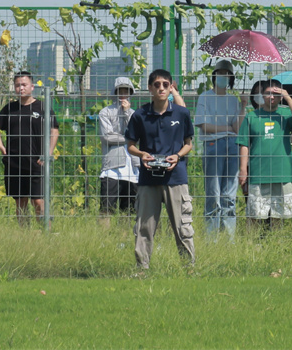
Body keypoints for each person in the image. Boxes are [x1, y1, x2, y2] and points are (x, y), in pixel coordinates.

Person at [125, 69, 195, 269]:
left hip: (176, 178)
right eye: (157, 85)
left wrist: (178, 156)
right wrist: (142, 155)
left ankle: (189, 269)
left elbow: (188, 143)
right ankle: (142, 269)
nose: (161, 88)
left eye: (166, 84)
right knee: (144, 227)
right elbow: (130, 144)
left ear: (171, 87)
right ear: (149, 88)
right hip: (148, 179)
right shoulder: (140, 114)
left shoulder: (181, 113)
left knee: (183, 227)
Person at [0, 71, 59, 225]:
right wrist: (2, 148)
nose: (20, 88)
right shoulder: (9, 109)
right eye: (17, 85)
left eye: (24, 85)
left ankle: (45, 232)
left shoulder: (42, 107)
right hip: (14, 163)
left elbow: (54, 130)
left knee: (39, 202)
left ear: (32, 86)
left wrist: (48, 152)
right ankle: (25, 235)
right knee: (20, 203)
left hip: (37, 162)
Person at [237, 79, 292, 229]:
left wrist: (287, 97)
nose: (271, 97)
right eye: (268, 93)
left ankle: (276, 245)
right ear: (262, 95)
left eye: (275, 94)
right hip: (258, 172)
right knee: (254, 214)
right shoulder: (252, 116)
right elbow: (244, 144)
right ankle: (252, 245)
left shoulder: (286, 113)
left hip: (282, 173)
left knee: (279, 215)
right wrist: (243, 170)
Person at [194, 60, 245, 241]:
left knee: (229, 194)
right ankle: (211, 238)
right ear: (214, 76)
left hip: (232, 146)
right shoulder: (205, 97)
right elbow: (202, 125)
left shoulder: (233, 100)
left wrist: (244, 106)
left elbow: (237, 128)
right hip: (213, 146)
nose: (223, 77)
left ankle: (228, 238)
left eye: (227, 74)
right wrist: (226, 128)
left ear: (231, 78)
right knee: (213, 193)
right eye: (220, 73)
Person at [97, 77, 139, 223]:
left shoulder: (135, 114)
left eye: (126, 90)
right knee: (106, 208)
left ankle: (124, 240)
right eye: (120, 90)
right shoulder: (105, 112)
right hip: (111, 166)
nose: (123, 94)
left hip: (132, 168)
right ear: (115, 92)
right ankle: (103, 241)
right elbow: (107, 137)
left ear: (130, 93)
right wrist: (130, 139)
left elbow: (138, 134)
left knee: (128, 210)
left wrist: (127, 113)